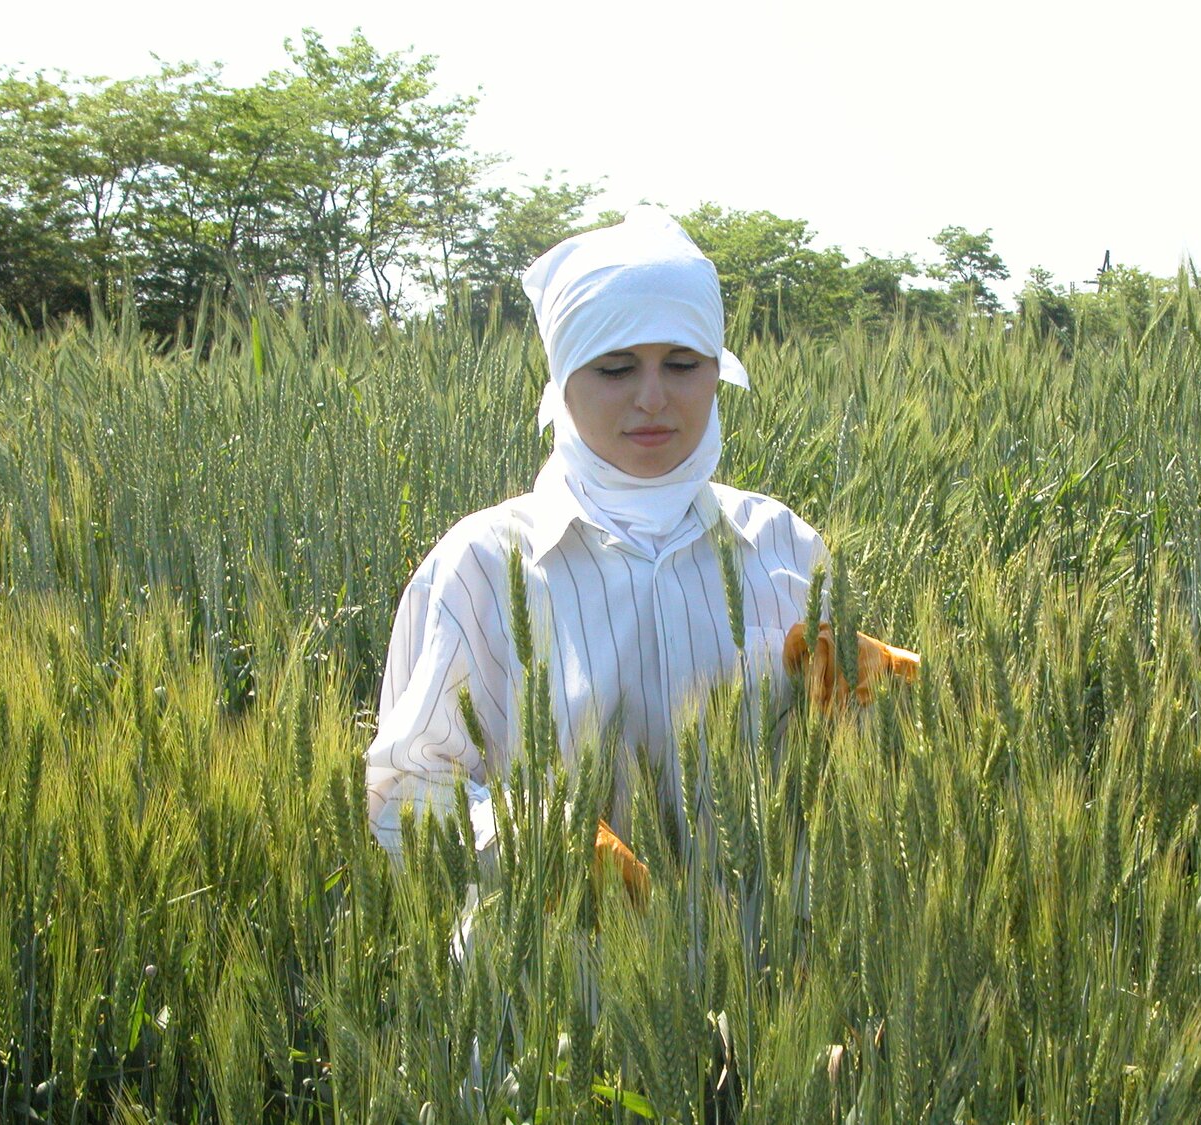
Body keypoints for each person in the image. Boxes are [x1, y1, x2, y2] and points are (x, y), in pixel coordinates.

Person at [364, 208, 917, 889]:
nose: (653, 399)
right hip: (557, 978)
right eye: (616, 369)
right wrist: (536, 839)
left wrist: (873, 720)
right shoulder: (479, 563)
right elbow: (400, 797)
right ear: (563, 383)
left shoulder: (786, 543)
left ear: (719, 373)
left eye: (682, 364)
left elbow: (850, 792)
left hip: (765, 971)